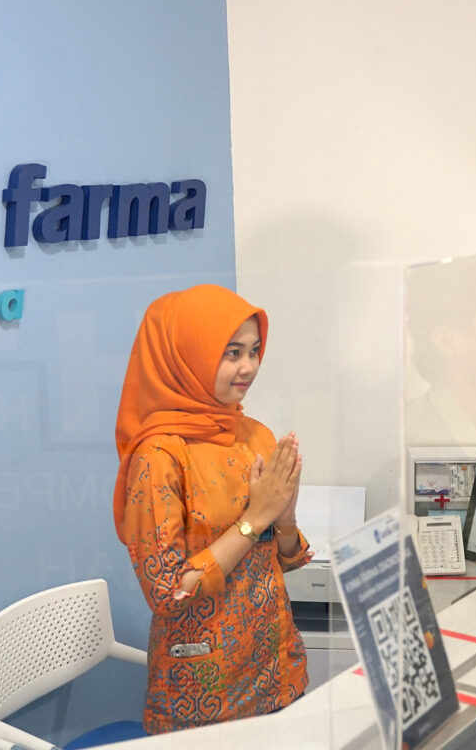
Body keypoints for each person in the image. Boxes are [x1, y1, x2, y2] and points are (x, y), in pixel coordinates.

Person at [113, 284, 311, 734]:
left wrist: (284, 521)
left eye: (255, 351)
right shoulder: (160, 456)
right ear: (187, 356)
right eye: (232, 353)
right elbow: (168, 592)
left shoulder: (254, 434)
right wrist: (255, 519)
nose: (248, 368)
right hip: (206, 684)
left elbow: (285, 559)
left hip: (275, 661)